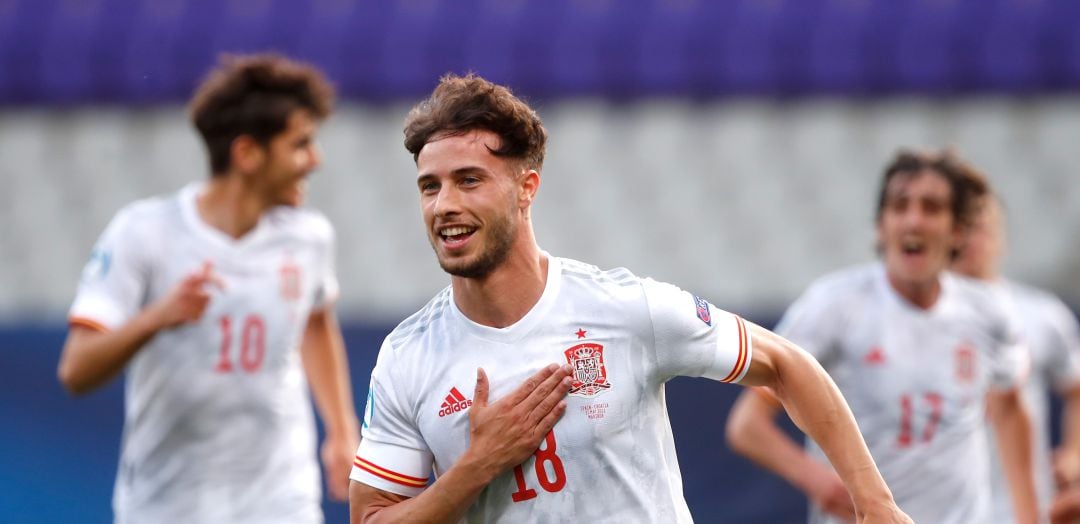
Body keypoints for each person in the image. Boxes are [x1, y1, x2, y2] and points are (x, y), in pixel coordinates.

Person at [346, 73, 910, 523]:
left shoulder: (624, 309)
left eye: (468, 180)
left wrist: (874, 502)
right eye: (430, 186)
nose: (443, 204)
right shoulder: (407, 357)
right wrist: (476, 466)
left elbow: (786, 364)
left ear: (526, 188)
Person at [57, 54, 359, 523]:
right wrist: (159, 315)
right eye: (301, 144)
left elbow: (316, 322)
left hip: (281, 494)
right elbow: (77, 370)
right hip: (167, 500)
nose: (314, 160)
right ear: (247, 155)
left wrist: (341, 430)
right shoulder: (144, 232)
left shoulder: (309, 237)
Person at [724, 149, 1039, 524]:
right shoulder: (832, 306)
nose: (913, 221)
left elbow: (1010, 409)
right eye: (900, 206)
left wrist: (1029, 515)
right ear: (880, 225)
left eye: (931, 207)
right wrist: (822, 483)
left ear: (957, 231)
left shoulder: (987, 313)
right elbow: (747, 426)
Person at [951, 195, 1080, 521]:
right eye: (959, 229)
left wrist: (1073, 454)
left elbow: (1076, 387)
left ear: (1000, 236)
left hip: (1016, 504)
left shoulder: (1040, 314)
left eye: (979, 229)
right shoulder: (911, 317)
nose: (968, 240)